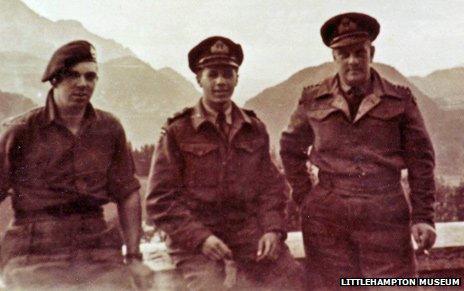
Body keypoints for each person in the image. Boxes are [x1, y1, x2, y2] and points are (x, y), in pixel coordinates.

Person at [280, 12, 436, 288]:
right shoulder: (313, 99)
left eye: (359, 52)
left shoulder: (399, 99)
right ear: (334, 58)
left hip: (385, 213)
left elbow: (421, 160)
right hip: (328, 219)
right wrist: (307, 198)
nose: (352, 60)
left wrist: (424, 217)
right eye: (343, 53)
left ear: (371, 53)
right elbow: (290, 148)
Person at [146, 36, 304, 290]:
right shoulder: (179, 131)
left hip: (246, 235)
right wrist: (200, 238)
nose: (221, 82)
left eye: (228, 74)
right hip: (195, 241)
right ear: (199, 79)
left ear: (237, 78)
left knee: (291, 279)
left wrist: (272, 230)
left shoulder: (253, 129)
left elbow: (272, 188)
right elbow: (159, 200)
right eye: (213, 74)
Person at [0, 40, 153, 290]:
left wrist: (134, 256)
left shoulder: (109, 128)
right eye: (73, 76)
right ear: (55, 80)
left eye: (90, 77)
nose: (83, 84)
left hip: (97, 249)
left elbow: (127, 194)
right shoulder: (21, 131)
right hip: (33, 251)